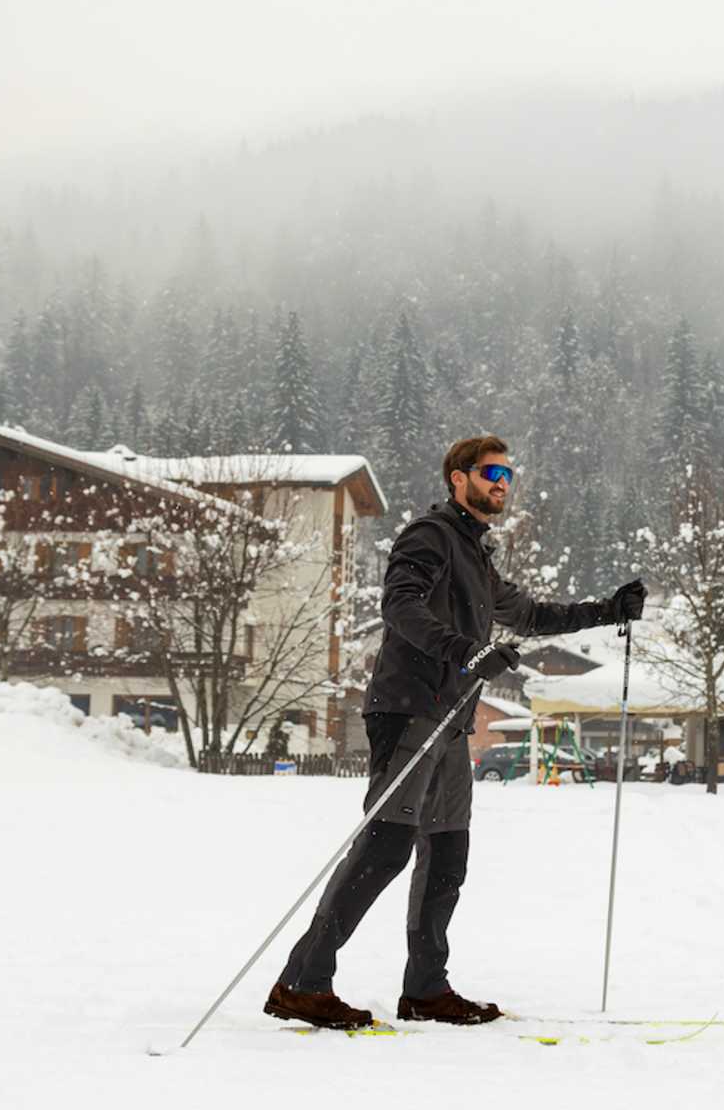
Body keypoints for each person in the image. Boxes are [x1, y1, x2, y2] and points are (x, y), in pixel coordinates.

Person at [265, 435, 645, 1030]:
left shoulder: (476, 554)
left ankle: (425, 989)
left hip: (451, 719)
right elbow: (401, 606)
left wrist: (607, 610)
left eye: (509, 476)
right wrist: (468, 652)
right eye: (492, 473)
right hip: (410, 709)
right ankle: (302, 982)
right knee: (386, 847)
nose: (502, 484)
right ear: (458, 478)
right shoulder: (430, 536)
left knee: (447, 852)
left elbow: (530, 615)